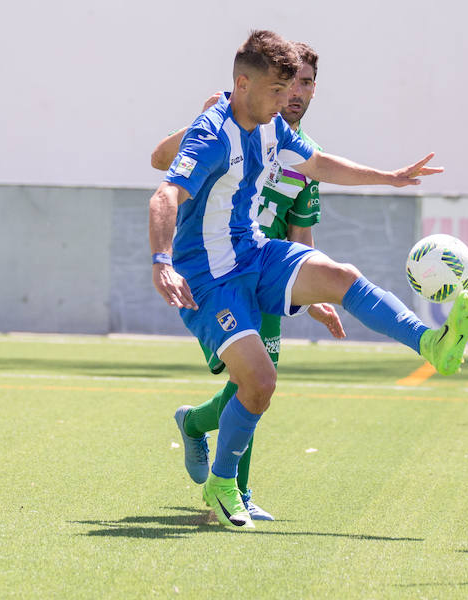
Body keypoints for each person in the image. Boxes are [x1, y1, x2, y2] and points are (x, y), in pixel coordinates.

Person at [150, 30, 468, 529]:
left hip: (253, 250)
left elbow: (319, 163)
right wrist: (162, 260)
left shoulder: (270, 126)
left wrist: (388, 178)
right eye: (279, 91)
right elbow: (165, 194)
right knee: (259, 382)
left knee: (341, 276)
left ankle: (430, 343)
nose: (289, 101)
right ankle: (224, 483)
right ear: (242, 85)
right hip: (207, 276)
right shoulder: (212, 131)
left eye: (296, 89)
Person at [151, 42, 341, 520]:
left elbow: (302, 232)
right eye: (289, 82)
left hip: (272, 273)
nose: (297, 92)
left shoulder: (304, 157)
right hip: (223, 271)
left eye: (307, 82)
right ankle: (226, 477)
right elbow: (161, 162)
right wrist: (200, 123)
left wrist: (312, 293)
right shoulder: (228, 122)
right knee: (250, 381)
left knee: (257, 384)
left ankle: (205, 439)